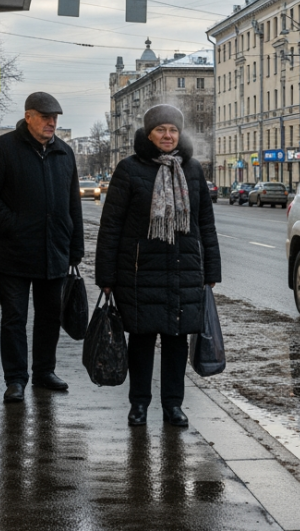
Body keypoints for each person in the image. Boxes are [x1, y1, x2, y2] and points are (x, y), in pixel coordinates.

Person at [95, 104, 220, 428]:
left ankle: (173, 406)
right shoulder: (129, 169)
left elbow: (205, 223)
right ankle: (138, 405)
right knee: (142, 340)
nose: (168, 135)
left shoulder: (192, 170)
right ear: (149, 134)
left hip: (184, 268)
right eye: (161, 130)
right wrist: (106, 275)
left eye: (173, 130)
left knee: (177, 341)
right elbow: (111, 226)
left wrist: (212, 272)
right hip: (140, 271)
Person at [0, 92, 84, 403]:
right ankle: (16, 378)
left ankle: (45, 371)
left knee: (49, 316)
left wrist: (76, 247)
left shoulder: (64, 152)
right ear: (29, 116)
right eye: (46, 117)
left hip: (54, 250)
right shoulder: (3, 148)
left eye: (55, 119)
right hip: (14, 251)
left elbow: (72, 204)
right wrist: (10, 223)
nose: (52, 123)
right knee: (14, 317)